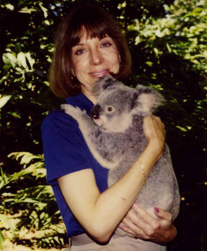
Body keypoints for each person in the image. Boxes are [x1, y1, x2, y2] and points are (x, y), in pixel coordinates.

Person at [41, 1, 177, 250]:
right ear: (70, 66)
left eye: (105, 44)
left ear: (119, 53)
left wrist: (168, 233)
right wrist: (153, 147)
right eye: (80, 51)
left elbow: (166, 196)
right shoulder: (62, 123)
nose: (96, 59)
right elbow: (99, 226)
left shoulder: (139, 113)